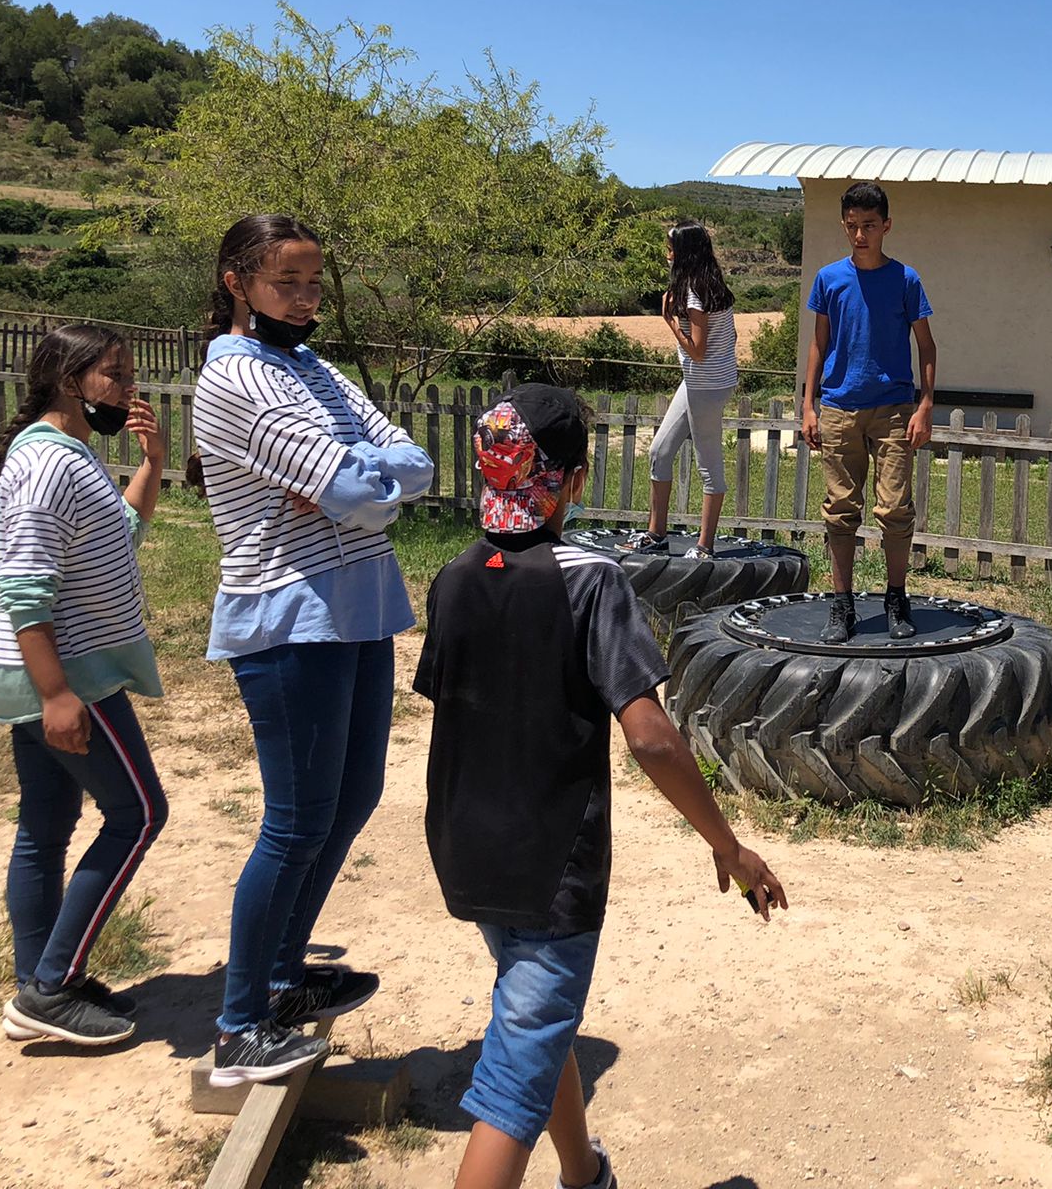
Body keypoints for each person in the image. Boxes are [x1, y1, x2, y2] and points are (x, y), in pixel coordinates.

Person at [417, 385, 788, 1189]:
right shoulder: (591, 580)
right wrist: (730, 845)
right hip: (551, 860)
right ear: (576, 483)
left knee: (534, 1025)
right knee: (511, 1080)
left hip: (465, 845)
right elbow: (650, 735)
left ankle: (584, 1172)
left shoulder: (451, 578)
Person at [190, 213, 437, 1083]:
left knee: (352, 799)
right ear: (237, 282)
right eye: (285, 281)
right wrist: (355, 484)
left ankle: (284, 977)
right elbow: (350, 477)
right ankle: (238, 1023)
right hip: (290, 614)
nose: (302, 297)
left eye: (310, 283)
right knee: (295, 822)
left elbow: (415, 464)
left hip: (359, 606)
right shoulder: (237, 380)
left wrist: (357, 489)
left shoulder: (312, 368)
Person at [0, 324, 170, 1048]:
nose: (128, 389)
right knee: (140, 812)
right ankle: (52, 986)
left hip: (48, 670)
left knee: (45, 827)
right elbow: (25, 588)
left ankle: (37, 982)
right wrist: (57, 696)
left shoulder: (72, 453)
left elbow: (123, 531)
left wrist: (151, 462)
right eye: (114, 375)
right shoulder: (51, 464)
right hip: (66, 674)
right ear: (69, 379)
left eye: (129, 375)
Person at [799, 181, 938, 644]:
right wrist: (809, 404)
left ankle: (896, 598)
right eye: (853, 226)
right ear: (844, 226)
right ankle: (842, 605)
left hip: (894, 409)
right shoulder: (829, 279)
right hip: (838, 407)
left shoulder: (906, 280)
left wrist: (925, 404)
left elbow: (927, 346)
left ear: (887, 226)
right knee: (840, 510)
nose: (861, 235)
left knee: (895, 509)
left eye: (870, 226)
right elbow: (819, 343)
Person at [627, 222, 739, 557]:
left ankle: (704, 546)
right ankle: (656, 533)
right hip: (699, 381)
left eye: (671, 249)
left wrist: (669, 321)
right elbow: (729, 338)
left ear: (685, 253)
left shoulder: (694, 293)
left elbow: (699, 350)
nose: (667, 255)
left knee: (709, 466)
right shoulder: (710, 284)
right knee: (659, 451)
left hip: (706, 385)